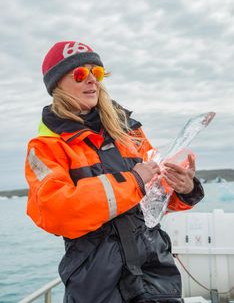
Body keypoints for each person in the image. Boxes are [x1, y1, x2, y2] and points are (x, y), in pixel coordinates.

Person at [25, 41, 204, 303]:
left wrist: (183, 189)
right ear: (56, 86)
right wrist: (133, 181)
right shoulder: (45, 147)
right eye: (79, 74)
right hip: (97, 285)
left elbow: (154, 201)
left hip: (155, 278)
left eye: (96, 73)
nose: (91, 81)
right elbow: (55, 211)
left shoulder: (130, 132)